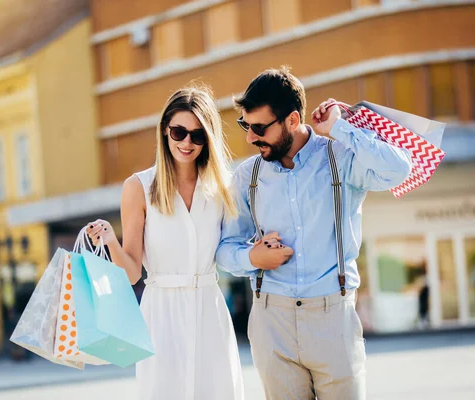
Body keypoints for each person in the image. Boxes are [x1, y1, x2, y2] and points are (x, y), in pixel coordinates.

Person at [216, 67, 412, 400]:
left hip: (332, 318)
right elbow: (224, 248)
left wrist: (340, 127)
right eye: (245, 126)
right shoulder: (247, 176)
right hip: (271, 321)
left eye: (259, 127)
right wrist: (252, 257)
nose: (250, 137)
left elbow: (399, 169)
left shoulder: (340, 159)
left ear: (292, 120)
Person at [86, 86, 244, 399]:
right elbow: (131, 273)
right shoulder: (139, 187)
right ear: (164, 131)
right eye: (179, 132)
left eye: (197, 135)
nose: (187, 142)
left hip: (210, 310)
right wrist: (109, 242)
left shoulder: (221, 188)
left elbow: (232, 248)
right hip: (161, 314)